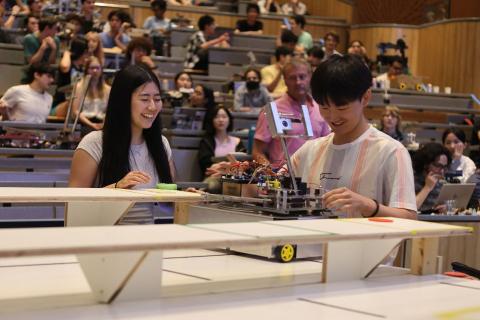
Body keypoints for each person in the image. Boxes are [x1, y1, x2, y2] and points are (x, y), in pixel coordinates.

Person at [290, 54, 417, 219]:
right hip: (310, 244)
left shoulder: (391, 152)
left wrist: (369, 206)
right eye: (324, 107)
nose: (333, 117)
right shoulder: (309, 151)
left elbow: (409, 217)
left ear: (365, 97)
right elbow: (267, 186)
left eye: (342, 108)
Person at [69, 64, 174, 225]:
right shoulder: (94, 143)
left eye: (157, 99)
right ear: (123, 101)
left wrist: (188, 198)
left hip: (147, 241)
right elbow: (73, 205)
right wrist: (116, 188)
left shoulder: (162, 144)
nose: (153, 106)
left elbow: (166, 204)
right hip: (102, 240)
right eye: (145, 99)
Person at [254, 58, 330, 168]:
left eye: (302, 77)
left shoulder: (321, 108)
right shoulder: (271, 110)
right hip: (281, 178)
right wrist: (271, 173)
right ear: (284, 80)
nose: (298, 82)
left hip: (314, 176)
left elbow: (326, 147)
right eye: (292, 78)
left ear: (310, 77)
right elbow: (258, 152)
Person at [198, 106, 246, 191]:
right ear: (211, 120)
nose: (221, 120)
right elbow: (205, 165)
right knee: (212, 185)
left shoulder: (237, 142)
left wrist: (224, 169)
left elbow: (243, 164)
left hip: (234, 178)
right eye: (217, 117)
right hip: (214, 178)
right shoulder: (207, 142)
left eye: (224, 117)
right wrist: (224, 168)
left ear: (229, 120)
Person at [71, 56, 111, 132]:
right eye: (92, 68)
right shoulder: (79, 87)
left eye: (97, 68)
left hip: (101, 123)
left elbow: (109, 111)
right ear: (86, 70)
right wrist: (91, 125)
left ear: (101, 70)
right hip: (84, 124)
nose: (95, 71)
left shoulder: (108, 89)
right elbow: (75, 111)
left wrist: (103, 124)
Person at [413, 143, 451, 213]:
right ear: (425, 164)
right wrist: (427, 187)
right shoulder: (411, 180)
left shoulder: (440, 184)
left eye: (444, 167)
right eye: (438, 166)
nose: (442, 171)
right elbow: (411, 208)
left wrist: (445, 207)